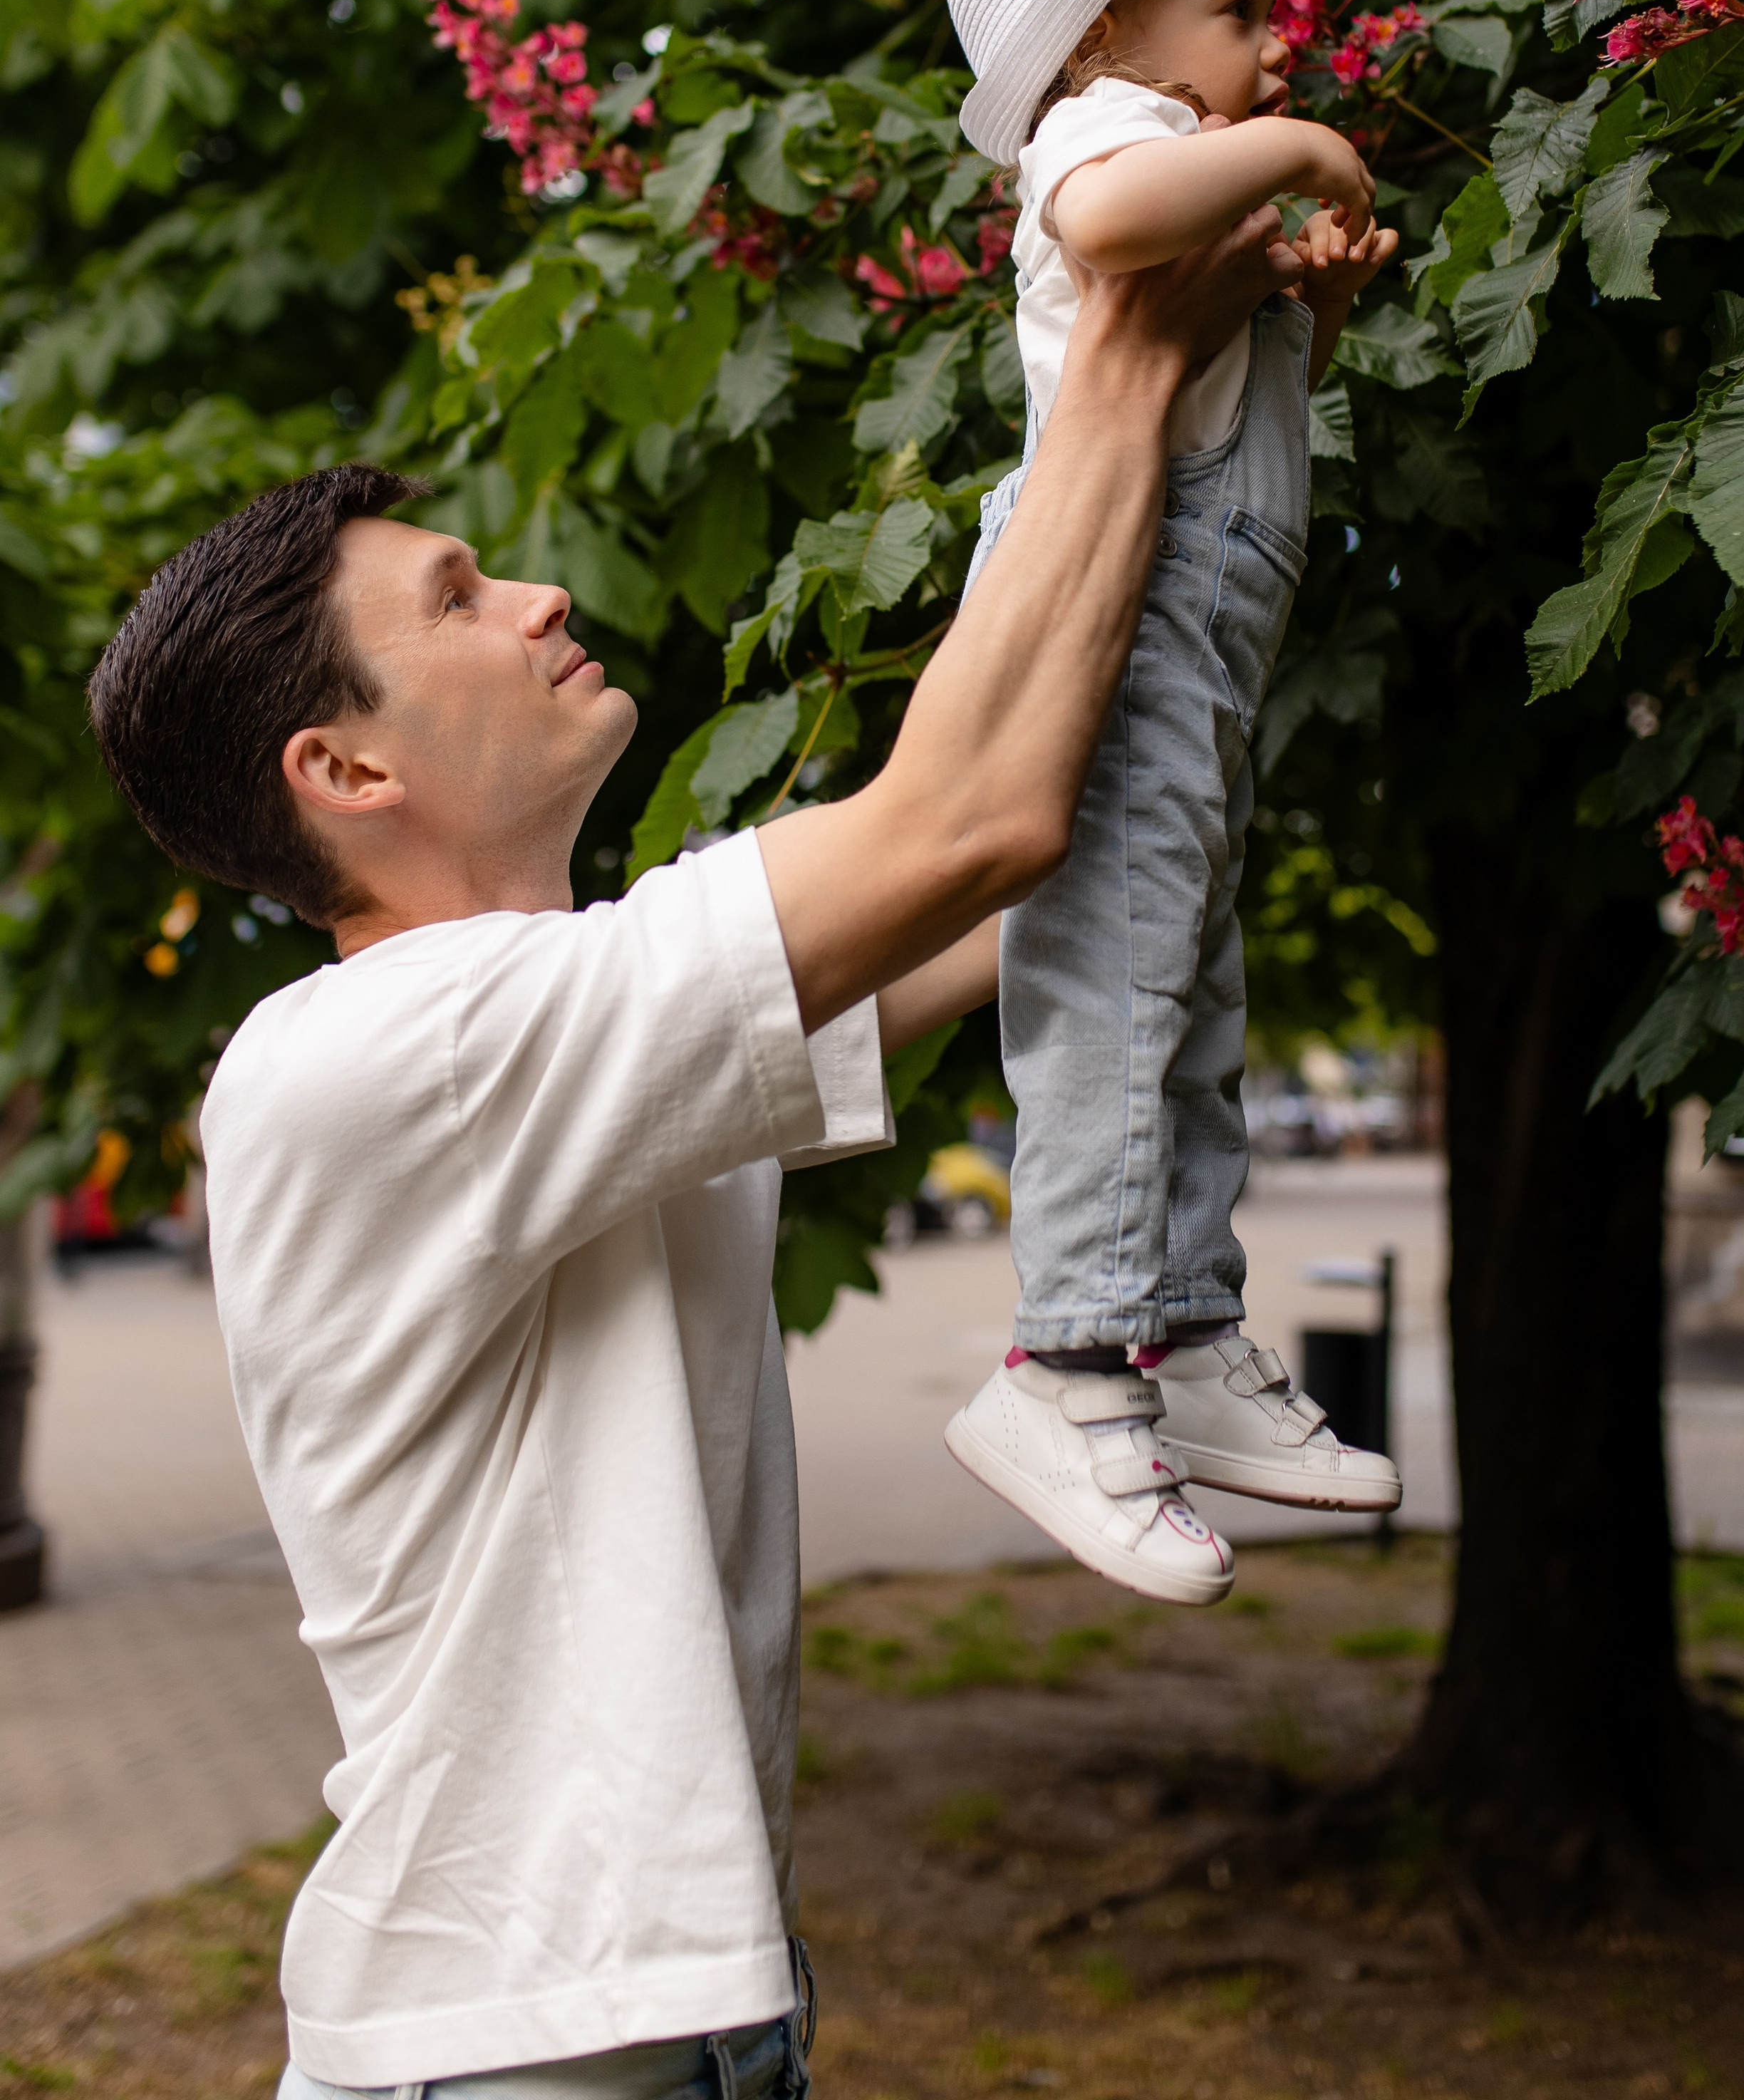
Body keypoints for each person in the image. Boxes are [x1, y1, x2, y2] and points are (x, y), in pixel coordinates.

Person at [85, 202, 1288, 2100]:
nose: (540, 598)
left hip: (670, 2020)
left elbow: (1035, 884)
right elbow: (971, 820)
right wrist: (1123, 330)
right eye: (460, 599)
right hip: (518, 2050)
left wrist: (1238, 414)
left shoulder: (578, 1031)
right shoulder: (381, 1055)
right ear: (348, 770)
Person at [939, 0, 1404, 1608]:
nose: (1274, 46)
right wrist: (1292, 149)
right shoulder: (1107, 135)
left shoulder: (1195, 176)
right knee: (1113, 984)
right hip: (1116, 623)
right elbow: (1104, 219)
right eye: (1239, 12)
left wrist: (1312, 306)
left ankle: (1186, 1331)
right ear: (1100, 30)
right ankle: (1062, 1368)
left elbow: (1239, 408)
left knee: (1189, 990)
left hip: (1196, 652)